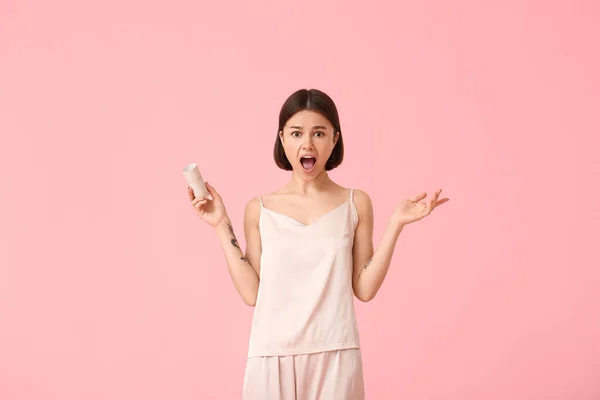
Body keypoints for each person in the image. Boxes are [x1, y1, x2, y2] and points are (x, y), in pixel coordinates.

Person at [187, 88, 449, 399]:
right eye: (296, 133)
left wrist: (396, 225)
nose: (307, 143)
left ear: (335, 139)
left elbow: (364, 289)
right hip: (272, 354)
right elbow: (251, 293)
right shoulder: (259, 209)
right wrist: (220, 224)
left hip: (336, 352)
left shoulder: (356, 202)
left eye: (319, 133)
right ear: (282, 138)